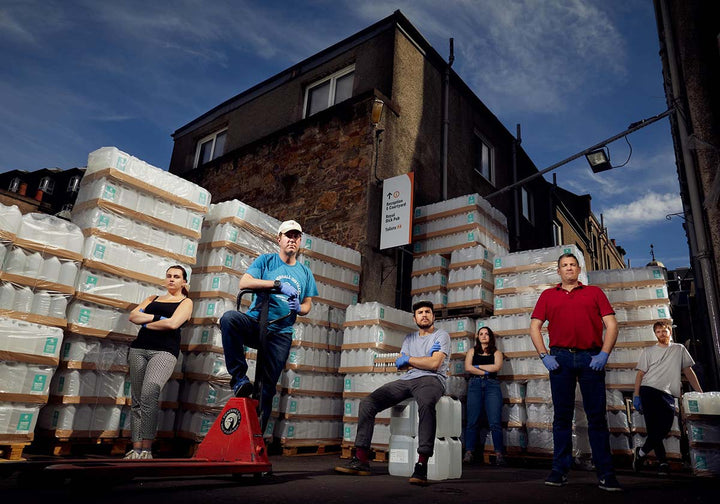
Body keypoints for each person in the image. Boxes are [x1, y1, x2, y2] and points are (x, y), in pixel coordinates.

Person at [529, 253, 622, 491]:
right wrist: (544, 356)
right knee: (562, 417)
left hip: (591, 357)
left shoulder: (595, 293)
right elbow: (535, 327)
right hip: (559, 358)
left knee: (597, 417)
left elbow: (611, 324)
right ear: (558, 271)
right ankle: (559, 470)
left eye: (572, 265)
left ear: (579, 269)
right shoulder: (548, 295)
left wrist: (604, 354)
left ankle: (606, 473)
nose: (568, 268)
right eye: (564, 265)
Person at [335, 300, 450, 485]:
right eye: (420, 312)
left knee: (427, 404)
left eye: (428, 312)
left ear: (433, 316)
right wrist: (422, 359)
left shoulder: (441, 335)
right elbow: (403, 367)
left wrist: (410, 359)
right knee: (368, 404)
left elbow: (434, 365)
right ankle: (361, 458)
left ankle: (422, 464)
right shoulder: (409, 338)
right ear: (415, 318)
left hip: (432, 380)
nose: (424, 315)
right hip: (407, 379)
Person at [220, 220, 318, 430]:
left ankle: (256, 438)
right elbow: (244, 283)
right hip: (257, 322)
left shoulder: (305, 272)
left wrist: (299, 308)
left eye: (296, 237)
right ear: (279, 239)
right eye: (288, 236)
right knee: (229, 319)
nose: (292, 240)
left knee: (266, 387)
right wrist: (278, 285)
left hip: (281, 332)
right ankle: (238, 378)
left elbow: (308, 304)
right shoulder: (266, 261)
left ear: (300, 241)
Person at [126, 265, 193, 460]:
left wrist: (145, 321)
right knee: (137, 400)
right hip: (139, 349)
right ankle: (135, 449)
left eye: (176, 277)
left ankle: (147, 449)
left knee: (149, 394)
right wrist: (157, 318)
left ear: (184, 281)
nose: (172, 279)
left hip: (164, 352)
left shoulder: (186, 302)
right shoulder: (152, 299)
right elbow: (133, 316)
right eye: (169, 276)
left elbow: (173, 324)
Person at [632, 320, 702, 475]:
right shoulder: (649, 351)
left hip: (668, 393)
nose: (661, 334)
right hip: (649, 390)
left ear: (670, 331)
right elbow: (640, 374)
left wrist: (700, 392)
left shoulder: (679, 349)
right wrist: (636, 395)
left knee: (665, 426)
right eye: (657, 332)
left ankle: (641, 453)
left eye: (664, 331)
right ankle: (662, 462)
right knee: (653, 428)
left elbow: (688, 371)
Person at [463, 326, 505, 465]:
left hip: (492, 386)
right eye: (481, 334)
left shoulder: (497, 353)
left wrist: (478, 368)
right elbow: (468, 368)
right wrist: (486, 371)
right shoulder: (472, 351)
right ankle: (469, 452)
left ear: (490, 337)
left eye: (486, 334)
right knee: (472, 421)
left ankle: (499, 454)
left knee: (495, 422)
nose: (484, 336)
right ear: (478, 337)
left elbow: (496, 367)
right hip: (475, 386)